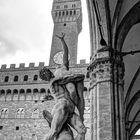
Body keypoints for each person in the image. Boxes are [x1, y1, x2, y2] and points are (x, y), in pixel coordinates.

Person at [40, 33, 86, 140]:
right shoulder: (53, 82)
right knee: (54, 132)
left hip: (70, 109)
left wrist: (63, 41)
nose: (47, 74)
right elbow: (65, 79)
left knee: (82, 130)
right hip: (62, 106)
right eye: (45, 75)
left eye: (46, 72)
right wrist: (75, 77)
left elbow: (65, 55)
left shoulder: (58, 73)